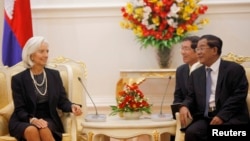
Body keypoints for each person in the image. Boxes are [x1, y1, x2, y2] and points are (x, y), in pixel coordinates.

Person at [8, 36, 83, 141]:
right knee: (31, 130)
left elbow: (62, 101)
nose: (46, 55)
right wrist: (32, 120)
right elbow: (20, 109)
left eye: (47, 51)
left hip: (48, 118)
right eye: (41, 51)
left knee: (44, 129)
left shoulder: (54, 75)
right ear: (31, 55)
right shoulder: (18, 79)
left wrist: (72, 106)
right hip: (24, 119)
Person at [179, 34, 249, 141]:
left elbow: (238, 96)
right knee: (192, 132)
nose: (198, 52)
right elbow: (190, 96)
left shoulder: (234, 69)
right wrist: (184, 106)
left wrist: (221, 116)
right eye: (197, 48)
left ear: (214, 50)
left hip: (231, 117)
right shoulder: (196, 74)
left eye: (201, 48)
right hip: (206, 117)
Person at [173, 35, 201, 104]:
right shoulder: (181, 70)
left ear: (197, 51)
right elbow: (178, 97)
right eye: (182, 48)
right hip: (184, 111)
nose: (183, 52)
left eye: (186, 49)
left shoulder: (206, 68)